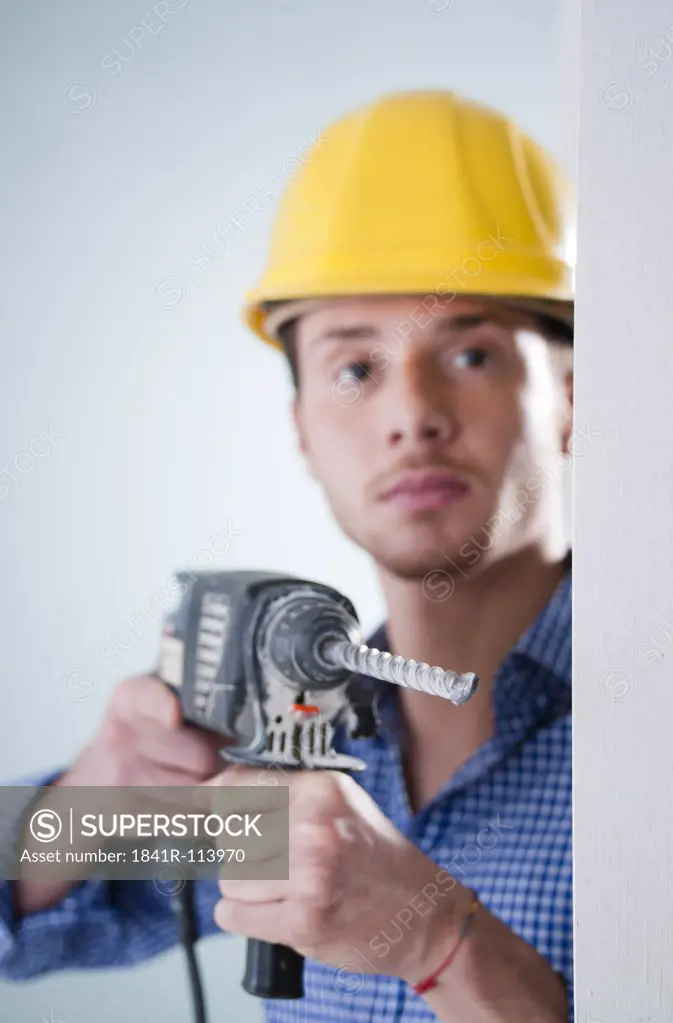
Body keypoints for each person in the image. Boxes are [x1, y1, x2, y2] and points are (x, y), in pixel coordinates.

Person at [0, 89, 575, 1022]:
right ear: (302, 430)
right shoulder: (287, 753)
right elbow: (18, 923)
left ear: (572, 394)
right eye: (355, 369)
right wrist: (100, 785)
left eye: (468, 353)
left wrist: (439, 942)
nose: (408, 414)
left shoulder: (648, 743)